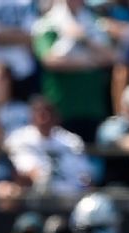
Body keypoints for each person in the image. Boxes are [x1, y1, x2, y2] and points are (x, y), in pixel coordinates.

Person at [32, 0, 116, 141]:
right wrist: (88, 62)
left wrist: (84, 39)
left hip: (92, 108)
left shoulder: (94, 22)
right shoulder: (47, 24)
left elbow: (110, 56)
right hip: (61, 108)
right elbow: (49, 60)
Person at [4, 96, 92, 193]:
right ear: (31, 116)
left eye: (48, 113)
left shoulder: (71, 141)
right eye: (39, 113)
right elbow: (24, 169)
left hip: (70, 196)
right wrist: (37, 175)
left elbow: (84, 176)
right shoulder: (18, 139)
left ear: (56, 116)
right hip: (35, 196)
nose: (44, 118)